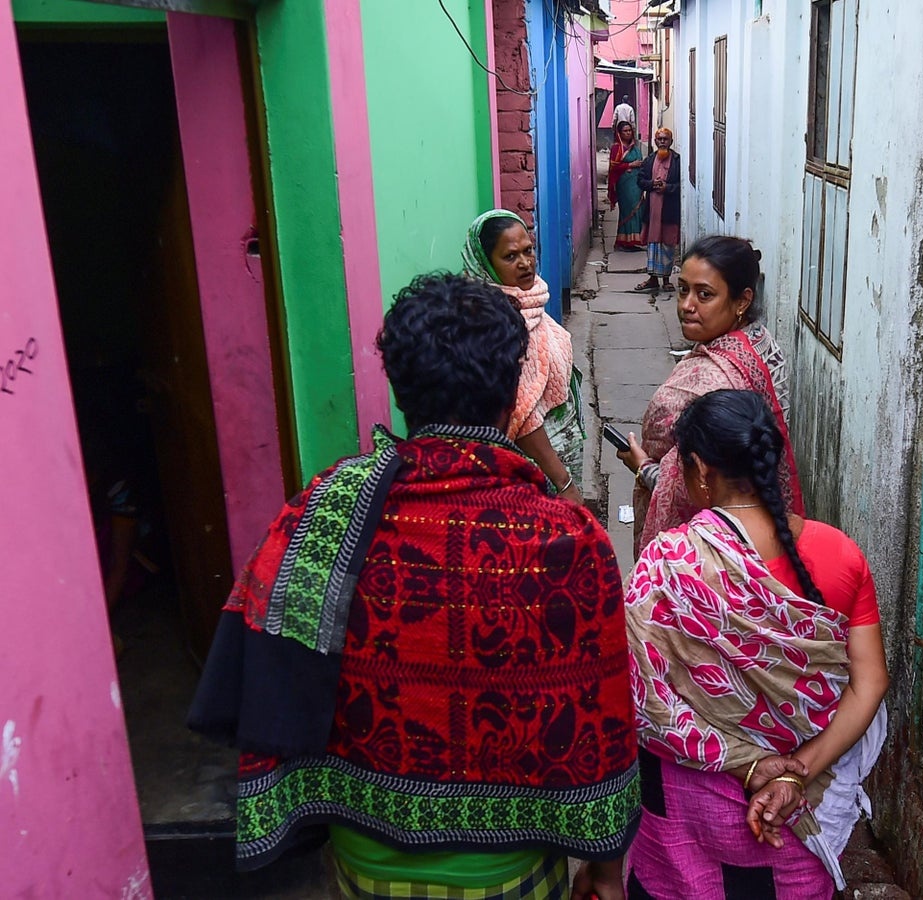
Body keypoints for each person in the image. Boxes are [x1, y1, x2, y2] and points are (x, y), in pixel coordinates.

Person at [188, 273, 640, 899]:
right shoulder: (570, 540)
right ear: (513, 389)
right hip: (510, 870)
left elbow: (261, 663)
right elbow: (603, 710)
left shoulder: (322, 511)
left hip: (362, 860)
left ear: (400, 387)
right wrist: (606, 862)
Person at [624, 389, 889, 898]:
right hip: (794, 814)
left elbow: (641, 699)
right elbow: (870, 682)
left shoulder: (668, 564)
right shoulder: (840, 553)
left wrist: (747, 764)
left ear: (701, 469)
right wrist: (795, 775)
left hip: (690, 814)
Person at [618, 235, 804, 555]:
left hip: (715, 548)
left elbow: (702, 484)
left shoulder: (713, 381)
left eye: (704, 295)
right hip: (763, 526)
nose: (687, 305)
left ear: (742, 301)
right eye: (682, 290)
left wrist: (643, 465)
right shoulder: (760, 344)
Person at [463, 209, 586, 505]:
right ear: (484, 264)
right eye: (510, 256)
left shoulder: (529, 302)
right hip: (534, 468)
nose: (525, 263)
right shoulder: (491, 324)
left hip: (560, 452)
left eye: (528, 250)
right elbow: (521, 412)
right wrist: (563, 483)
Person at [634, 128, 682, 294]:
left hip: (669, 210)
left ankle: (666, 279)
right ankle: (653, 279)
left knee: (667, 244)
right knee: (653, 244)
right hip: (653, 210)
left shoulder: (677, 161)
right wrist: (652, 184)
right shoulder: (649, 160)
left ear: (671, 142)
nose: (662, 142)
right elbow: (640, 181)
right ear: (655, 142)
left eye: (665, 139)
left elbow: (680, 185)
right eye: (659, 139)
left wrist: (667, 187)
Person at [607, 121, 645, 252]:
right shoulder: (617, 148)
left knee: (638, 210)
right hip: (624, 185)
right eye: (625, 131)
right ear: (619, 133)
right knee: (627, 211)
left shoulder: (636, 148)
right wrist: (629, 165)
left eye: (630, 130)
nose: (628, 133)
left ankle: (633, 240)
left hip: (636, 184)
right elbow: (613, 167)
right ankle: (622, 242)